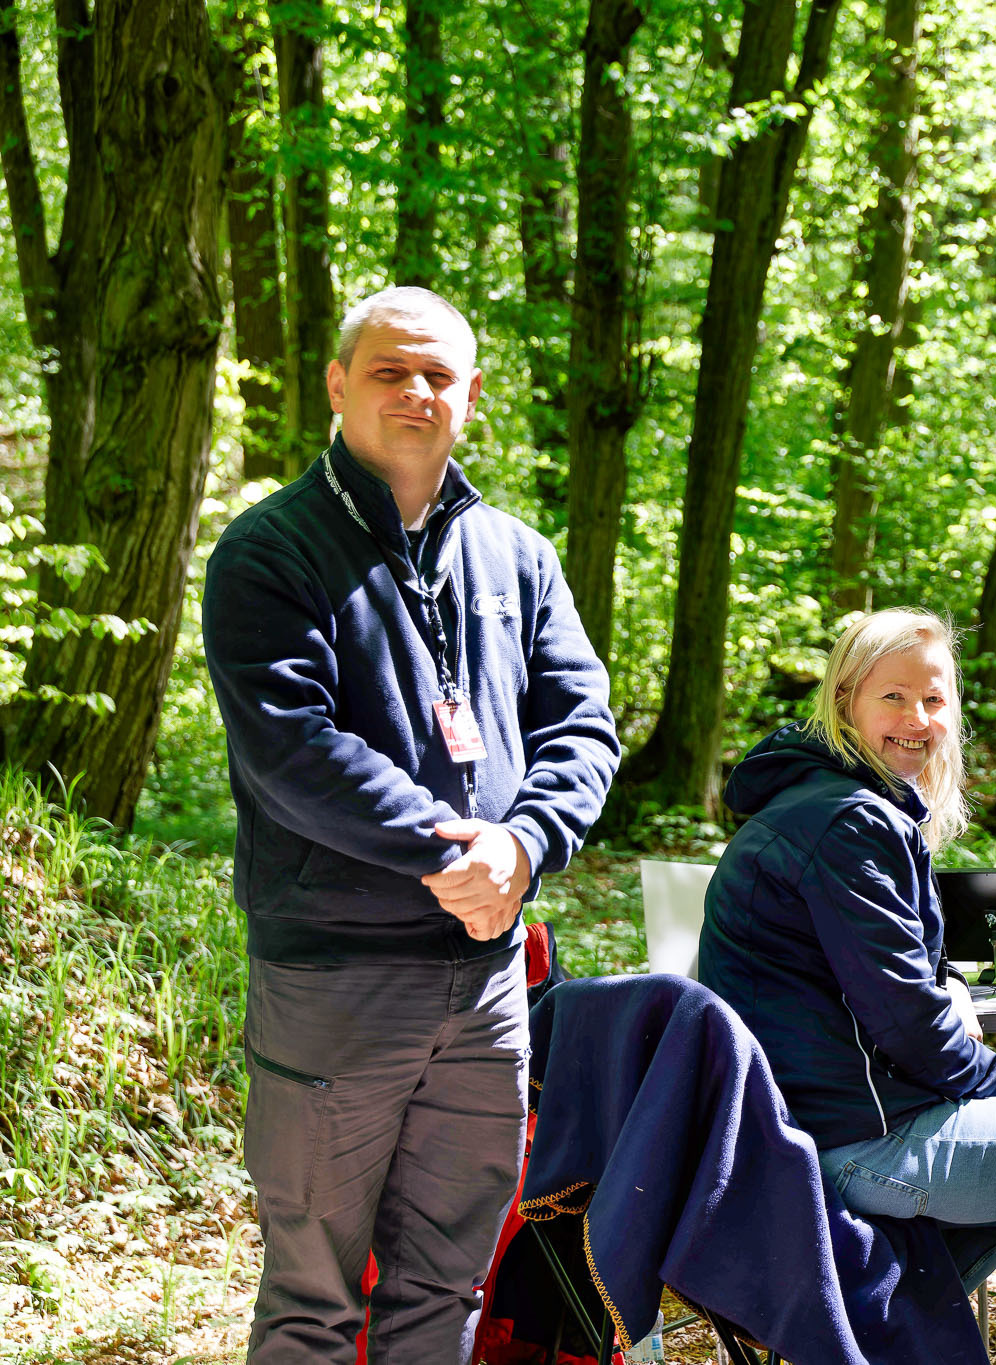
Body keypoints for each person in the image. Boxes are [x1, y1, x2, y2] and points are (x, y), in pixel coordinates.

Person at [203, 286, 620, 1363]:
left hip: (486, 985)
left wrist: (523, 844)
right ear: (338, 385)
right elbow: (293, 750)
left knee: (446, 1290)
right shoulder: (269, 551)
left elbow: (583, 729)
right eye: (390, 370)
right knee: (314, 1300)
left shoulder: (518, 556)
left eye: (438, 374)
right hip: (336, 981)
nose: (415, 392)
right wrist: (456, 852)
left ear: (470, 394)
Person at [699, 609, 996, 1365]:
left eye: (934, 700)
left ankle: (872, 1335)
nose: (917, 718)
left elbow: (893, 966)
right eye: (893, 697)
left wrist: (951, 985)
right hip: (845, 1143)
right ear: (845, 700)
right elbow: (907, 1021)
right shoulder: (846, 822)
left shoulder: (823, 803)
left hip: (803, 1132)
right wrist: (994, 1095)